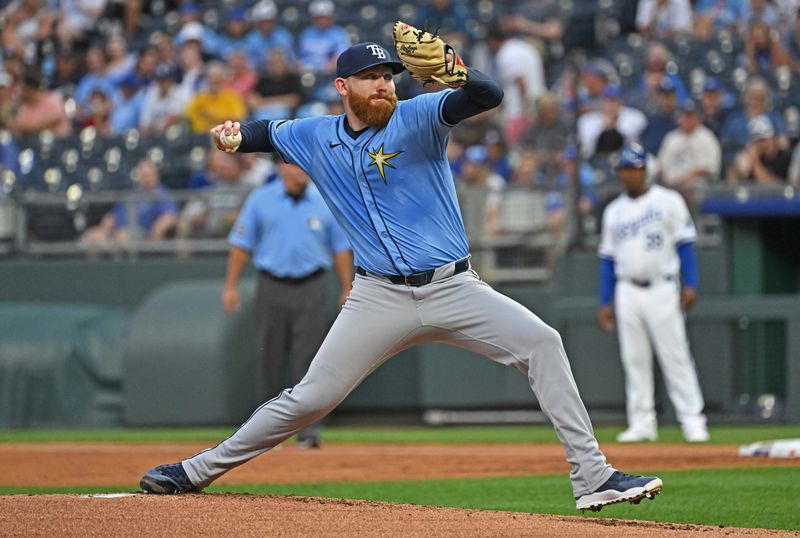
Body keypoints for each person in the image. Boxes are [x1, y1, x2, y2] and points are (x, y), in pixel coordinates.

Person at [140, 38, 663, 512]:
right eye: (371, 76)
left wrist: (456, 68)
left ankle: (593, 477)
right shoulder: (314, 135)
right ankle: (195, 471)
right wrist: (234, 136)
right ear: (343, 87)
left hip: (454, 287)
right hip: (377, 297)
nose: (384, 83)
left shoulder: (419, 116)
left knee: (543, 342)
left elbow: (487, 95)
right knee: (310, 398)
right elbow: (265, 132)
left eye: (389, 75)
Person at [222, 162, 353, 449]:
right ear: (283, 168)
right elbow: (241, 243)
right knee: (270, 357)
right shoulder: (261, 199)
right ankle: (265, 432)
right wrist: (230, 286)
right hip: (272, 285)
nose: (302, 172)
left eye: (306, 167)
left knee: (311, 360)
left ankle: (309, 430)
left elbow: (340, 248)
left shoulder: (323, 200)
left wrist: (346, 287)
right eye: (296, 167)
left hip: (312, 285)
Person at [597, 143, 709, 444]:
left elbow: (685, 243)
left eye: (635, 168)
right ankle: (642, 422)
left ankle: (692, 420)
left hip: (662, 285)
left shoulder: (668, 201)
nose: (630, 174)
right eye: (625, 169)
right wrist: (604, 300)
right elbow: (607, 258)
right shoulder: (614, 211)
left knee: (676, 356)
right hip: (627, 288)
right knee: (634, 359)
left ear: (646, 170)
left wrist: (690, 283)